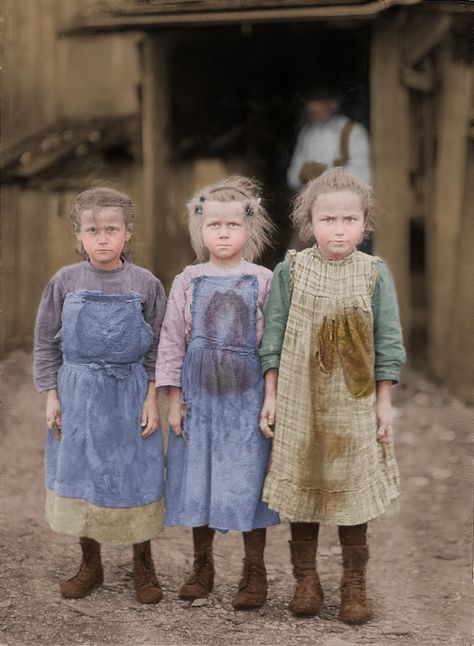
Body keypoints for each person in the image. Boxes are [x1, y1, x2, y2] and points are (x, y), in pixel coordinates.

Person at [259, 168, 406, 624]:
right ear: (309, 223)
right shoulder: (292, 270)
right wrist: (272, 394)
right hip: (302, 399)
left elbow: (388, 343)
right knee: (305, 484)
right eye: (328, 220)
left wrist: (383, 404)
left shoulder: (374, 274)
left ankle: (353, 584)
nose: (338, 229)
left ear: (364, 224)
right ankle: (306, 579)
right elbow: (273, 336)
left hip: (354, 402)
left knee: (350, 491)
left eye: (348, 220)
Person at [34, 187, 167, 604]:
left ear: (128, 234)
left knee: (134, 475)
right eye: (93, 230)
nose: (103, 238)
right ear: (79, 236)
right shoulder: (65, 281)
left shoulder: (145, 283)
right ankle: (90, 564)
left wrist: (151, 397)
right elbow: (44, 342)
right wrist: (51, 394)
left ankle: (143, 564)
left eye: (112, 229)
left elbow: (160, 345)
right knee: (84, 474)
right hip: (79, 395)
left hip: (128, 394)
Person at [155, 176, 280, 610]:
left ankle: (254, 570)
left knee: (248, 477)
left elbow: (271, 347)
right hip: (199, 398)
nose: (223, 233)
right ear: (200, 229)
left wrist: (271, 396)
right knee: (199, 477)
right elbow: (172, 341)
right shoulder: (187, 280)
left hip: (245, 399)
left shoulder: (263, 280)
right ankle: (202, 566)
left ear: (250, 228)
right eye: (214, 226)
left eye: (232, 225)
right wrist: (173, 402)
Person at [287, 88, 371, 192]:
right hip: (311, 198)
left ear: (332, 104)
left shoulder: (353, 131)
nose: (313, 109)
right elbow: (293, 176)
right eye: (311, 104)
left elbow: (363, 174)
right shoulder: (307, 133)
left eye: (319, 102)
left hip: (345, 197)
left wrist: (324, 175)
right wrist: (305, 176)